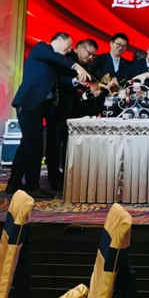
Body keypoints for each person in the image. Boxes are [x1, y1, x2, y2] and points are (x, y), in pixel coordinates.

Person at [6, 33, 90, 197]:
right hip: (29, 103)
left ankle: (13, 184)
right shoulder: (42, 48)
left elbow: (59, 78)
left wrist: (75, 81)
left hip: (41, 106)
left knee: (27, 145)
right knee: (34, 146)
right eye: (68, 46)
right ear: (59, 40)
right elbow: (57, 59)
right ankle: (32, 186)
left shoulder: (53, 60)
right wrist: (76, 66)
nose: (69, 50)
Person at [45, 38, 98, 192]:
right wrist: (75, 81)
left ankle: (66, 177)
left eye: (93, 55)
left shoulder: (85, 64)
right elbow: (57, 78)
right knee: (55, 144)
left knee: (68, 144)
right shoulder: (67, 58)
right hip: (57, 108)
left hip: (73, 110)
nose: (91, 58)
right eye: (89, 53)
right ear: (79, 48)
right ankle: (54, 179)